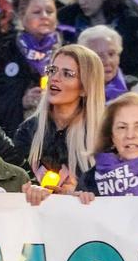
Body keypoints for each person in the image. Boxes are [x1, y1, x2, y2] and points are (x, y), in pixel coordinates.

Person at [13, 44, 105, 190]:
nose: (55, 78)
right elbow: (14, 182)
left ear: (84, 88)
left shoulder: (103, 137)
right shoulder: (29, 130)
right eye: (52, 70)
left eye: (67, 74)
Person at [0, 0, 65, 132]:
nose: (44, 16)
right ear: (22, 17)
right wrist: (21, 102)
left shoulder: (68, 52)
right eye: (37, 12)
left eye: (49, 11)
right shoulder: (5, 51)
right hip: (16, 135)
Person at [77, 25, 135, 106]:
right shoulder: (71, 94)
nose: (107, 61)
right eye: (99, 56)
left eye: (111, 54)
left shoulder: (135, 90)